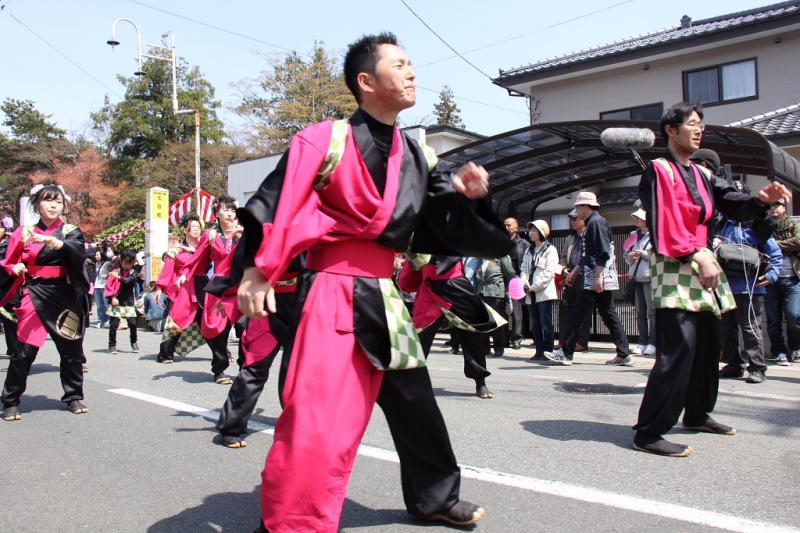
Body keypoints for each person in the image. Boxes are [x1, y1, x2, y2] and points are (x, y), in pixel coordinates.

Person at [236, 32, 511, 533]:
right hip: (330, 290)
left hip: (384, 294)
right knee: (316, 418)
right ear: (366, 81)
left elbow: (440, 225)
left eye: (411, 64)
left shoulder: (418, 155)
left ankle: (434, 497)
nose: (411, 73)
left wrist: (467, 198)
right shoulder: (324, 139)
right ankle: (292, 519)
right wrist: (258, 269)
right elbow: (277, 202)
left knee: (415, 404)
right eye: (399, 64)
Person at [633, 102, 789, 457]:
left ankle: (698, 413)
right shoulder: (658, 170)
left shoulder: (703, 175)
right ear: (671, 130)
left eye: (701, 124)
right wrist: (695, 253)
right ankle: (648, 431)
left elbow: (732, 202)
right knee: (679, 348)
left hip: (703, 263)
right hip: (676, 261)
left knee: (706, 346)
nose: (699, 129)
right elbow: (663, 222)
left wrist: (761, 200)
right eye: (691, 124)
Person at [0, 182, 90, 421]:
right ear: (37, 205)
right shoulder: (24, 232)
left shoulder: (71, 231)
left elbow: (79, 252)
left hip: (65, 294)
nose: (54, 205)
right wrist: (14, 266)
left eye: (58, 201)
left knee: (71, 349)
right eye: (48, 200)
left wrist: (58, 243)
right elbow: (7, 262)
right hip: (34, 291)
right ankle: (10, 400)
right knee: (24, 351)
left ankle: (73, 396)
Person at [399, 255, 504, 399]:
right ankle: (409, 381)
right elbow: (414, 262)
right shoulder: (420, 235)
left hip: (456, 286)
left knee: (472, 337)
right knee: (420, 337)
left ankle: (480, 381)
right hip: (429, 289)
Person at [550, 191, 630, 366]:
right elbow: (587, 255)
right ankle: (624, 353)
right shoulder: (592, 222)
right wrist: (574, 271)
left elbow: (603, 253)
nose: (576, 211)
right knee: (608, 314)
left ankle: (566, 352)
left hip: (595, 276)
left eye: (578, 207)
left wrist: (598, 277)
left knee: (577, 313)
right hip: (592, 275)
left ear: (586, 206)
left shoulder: (596, 223)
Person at [156, 214, 233, 384]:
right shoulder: (176, 250)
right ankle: (165, 352)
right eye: (194, 227)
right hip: (183, 287)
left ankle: (221, 354)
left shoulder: (207, 243)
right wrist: (160, 288)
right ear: (185, 230)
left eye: (199, 227)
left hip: (202, 285)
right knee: (177, 321)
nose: (198, 229)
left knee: (208, 322)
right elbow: (168, 270)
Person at [716, 215, 781, 383]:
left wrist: (772, 275)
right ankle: (733, 364)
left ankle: (757, 367)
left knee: (750, 327)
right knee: (726, 328)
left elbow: (775, 252)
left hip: (750, 287)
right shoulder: (721, 226)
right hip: (725, 287)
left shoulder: (757, 225)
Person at [764, 198, 800, 366]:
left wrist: (774, 245)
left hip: (792, 278)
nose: (773, 209)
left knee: (794, 315)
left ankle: (796, 347)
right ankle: (778, 351)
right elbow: (759, 245)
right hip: (770, 279)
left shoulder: (793, 224)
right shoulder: (764, 226)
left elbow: (798, 241)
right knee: (773, 319)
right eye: (770, 207)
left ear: (784, 208)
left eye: (776, 206)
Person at [521, 220, 559, 361]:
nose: (531, 233)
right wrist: (525, 283)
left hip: (543, 292)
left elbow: (549, 272)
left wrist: (534, 286)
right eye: (530, 230)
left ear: (542, 232)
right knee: (535, 323)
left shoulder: (550, 250)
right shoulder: (528, 250)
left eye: (534, 230)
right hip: (530, 292)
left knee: (546, 323)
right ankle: (538, 350)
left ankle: (548, 351)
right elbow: (524, 269)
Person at [556, 209, 590, 353]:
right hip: (570, 277)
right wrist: (564, 270)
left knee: (584, 310)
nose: (573, 222)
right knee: (565, 307)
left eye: (575, 218)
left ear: (583, 219)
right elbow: (563, 257)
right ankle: (563, 340)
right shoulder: (570, 239)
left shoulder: (589, 236)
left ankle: (581, 342)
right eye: (571, 219)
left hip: (585, 276)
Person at [624, 208, 655, 356]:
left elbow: (656, 256)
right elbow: (626, 256)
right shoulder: (633, 235)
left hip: (649, 277)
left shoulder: (654, 235)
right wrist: (630, 256)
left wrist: (642, 253)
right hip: (635, 277)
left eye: (638, 218)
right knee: (640, 312)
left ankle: (653, 342)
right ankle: (642, 342)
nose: (636, 220)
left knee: (652, 312)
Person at [476, 254, 514, 358]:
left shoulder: (502, 255)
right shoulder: (479, 257)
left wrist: (508, 293)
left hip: (496, 292)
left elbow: (510, 274)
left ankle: (499, 348)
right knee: (483, 321)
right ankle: (485, 348)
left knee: (497, 322)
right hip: (481, 292)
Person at [105, 250, 142, 354]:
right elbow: (109, 286)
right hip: (116, 300)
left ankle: (134, 342)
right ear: (121, 261)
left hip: (129, 301)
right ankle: (111, 345)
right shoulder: (115, 271)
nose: (127, 265)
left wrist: (119, 278)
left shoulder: (133, 272)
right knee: (114, 325)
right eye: (125, 263)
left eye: (130, 263)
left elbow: (128, 281)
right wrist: (112, 298)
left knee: (133, 324)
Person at [504, 217, 529, 350]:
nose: (506, 227)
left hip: (516, 279)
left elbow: (527, 263)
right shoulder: (501, 242)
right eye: (505, 225)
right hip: (501, 279)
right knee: (502, 309)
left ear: (516, 228)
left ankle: (517, 338)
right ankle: (502, 338)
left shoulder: (523, 243)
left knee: (516, 311)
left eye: (509, 225)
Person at [92, 244, 114, 328]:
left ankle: (108, 320)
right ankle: (100, 320)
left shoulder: (107, 263)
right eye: (95, 255)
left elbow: (112, 272)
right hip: (97, 286)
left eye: (97, 254)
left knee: (106, 304)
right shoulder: (96, 263)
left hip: (104, 286)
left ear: (101, 254)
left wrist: (108, 275)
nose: (96, 256)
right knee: (99, 305)